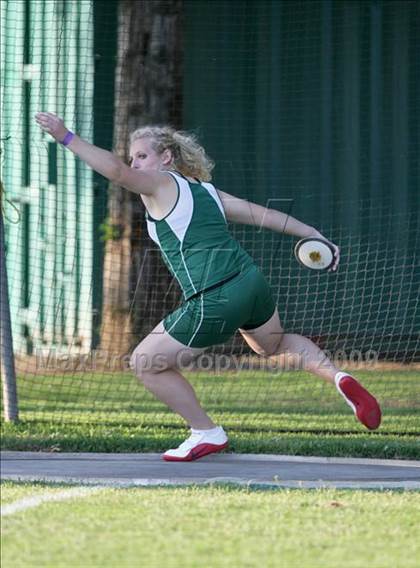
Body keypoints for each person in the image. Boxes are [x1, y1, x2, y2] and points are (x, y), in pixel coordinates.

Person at [35, 112, 382, 462]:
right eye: (133, 156)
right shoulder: (206, 191)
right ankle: (338, 377)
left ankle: (206, 432)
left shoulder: (159, 184)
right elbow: (263, 214)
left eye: (142, 155)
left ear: (166, 158)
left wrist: (67, 137)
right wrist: (312, 234)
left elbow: (115, 172)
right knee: (272, 345)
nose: (134, 163)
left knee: (144, 362)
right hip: (250, 283)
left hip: (214, 296)